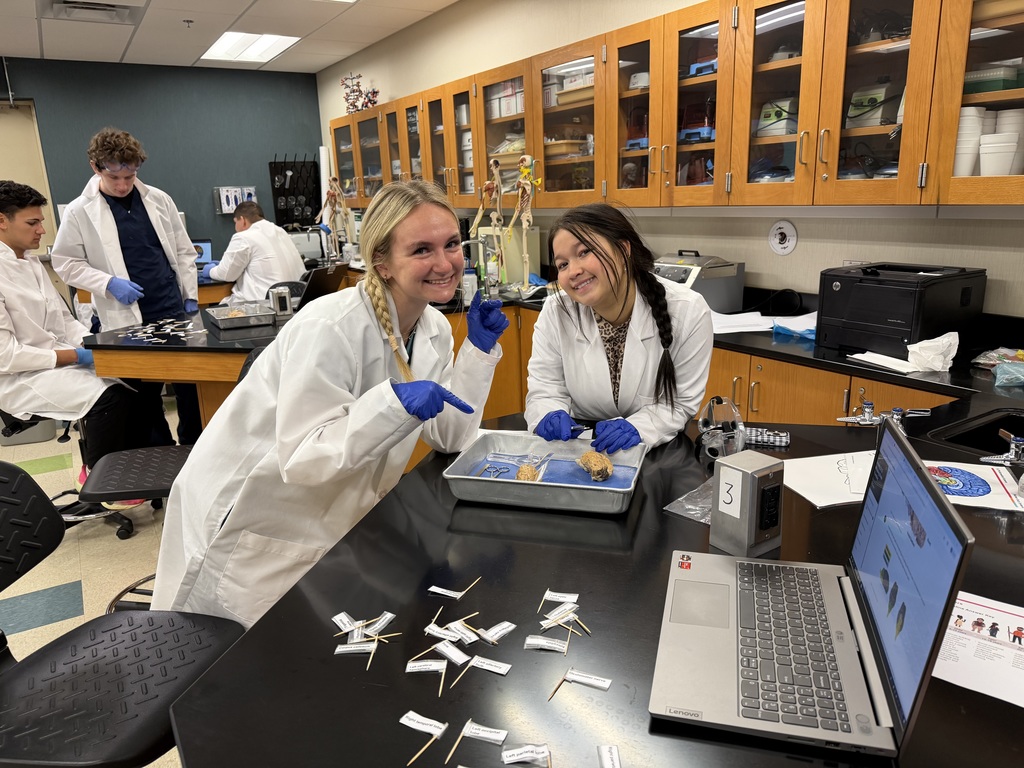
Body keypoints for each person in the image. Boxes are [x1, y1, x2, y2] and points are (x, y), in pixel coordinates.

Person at [151, 180, 509, 628]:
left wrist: (476, 353)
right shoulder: (331, 326)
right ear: (382, 260)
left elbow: (449, 436)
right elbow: (303, 459)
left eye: (451, 244)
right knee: (224, 659)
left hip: (338, 515)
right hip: (255, 516)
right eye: (421, 249)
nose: (444, 263)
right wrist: (392, 405)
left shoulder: (432, 327)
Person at [50, 127, 203, 445]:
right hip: (124, 315)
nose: (122, 185)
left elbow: (184, 251)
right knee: (142, 395)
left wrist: (190, 296)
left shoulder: (159, 199)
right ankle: (159, 457)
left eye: (129, 177)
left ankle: (195, 447)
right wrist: (108, 283)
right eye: (114, 178)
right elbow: (65, 262)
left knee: (192, 385)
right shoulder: (80, 211)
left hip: (170, 307)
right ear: (95, 167)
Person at [525, 203, 712, 453]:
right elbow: (544, 389)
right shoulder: (556, 312)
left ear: (623, 250)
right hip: (577, 448)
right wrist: (548, 413)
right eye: (562, 265)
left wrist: (639, 428)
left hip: (657, 450)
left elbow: (680, 403)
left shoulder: (688, 311)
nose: (573, 271)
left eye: (584, 252)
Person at [0, 180, 146, 501]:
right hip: (20, 376)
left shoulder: (31, 263)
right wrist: (75, 357)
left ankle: (131, 468)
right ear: (2, 221)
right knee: (107, 397)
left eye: (41, 221)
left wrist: (98, 346)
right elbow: (6, 357)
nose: (41, 230)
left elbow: (64, 322)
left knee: (131, 385)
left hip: (56, 360)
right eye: (32, 222)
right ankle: (102, 481)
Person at [203, 201, 306, 306]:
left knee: (219, 308)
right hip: (296, 304)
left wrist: (210, 270)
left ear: (242, 220)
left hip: (265, 306)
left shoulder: (243, 237)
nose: (235, 228)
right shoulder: (281, 231)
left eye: (235, 222)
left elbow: (226, 274)